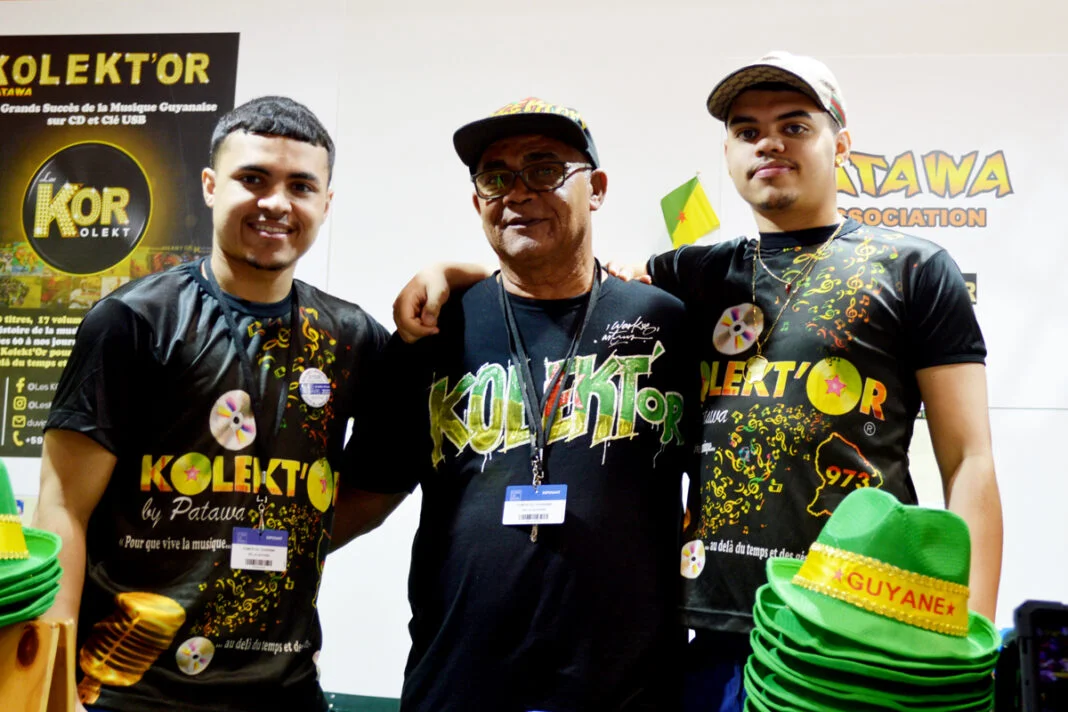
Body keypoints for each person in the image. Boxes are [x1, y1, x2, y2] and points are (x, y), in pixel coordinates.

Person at [394, 54, 1003, 712]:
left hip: (852, 632)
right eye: (746, 130)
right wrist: (449, 274)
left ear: (841, 143)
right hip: (709, 638)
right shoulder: (689, 275)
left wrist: (968, 639)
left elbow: (969, 458)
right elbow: (557, 276)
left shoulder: (913, 268)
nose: (768, 141)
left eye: (794, 125)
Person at [34, 96, 400, 712]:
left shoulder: (350, 336)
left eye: (301, 186)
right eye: (252, 178)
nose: (277, 202)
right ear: (210, 186)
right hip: (128, 692)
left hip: (283, 690)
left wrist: (288, 534)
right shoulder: (133, 321)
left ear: (326, 203)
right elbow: (62, 505)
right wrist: (54, 685)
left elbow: (381, 481)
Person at [350, 97, 697, 711]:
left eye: (544, 170)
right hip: (458, 683)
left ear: (597, 188)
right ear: (477, 198)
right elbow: (367, 493)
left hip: (629, 691)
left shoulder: (664, 322)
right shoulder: (434, 329)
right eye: (495, 175)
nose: (518, 191)